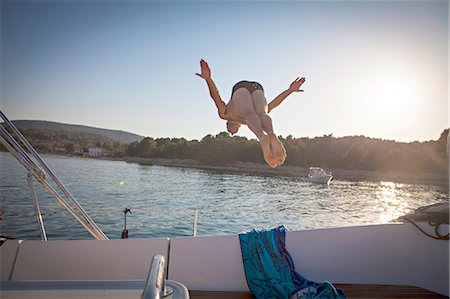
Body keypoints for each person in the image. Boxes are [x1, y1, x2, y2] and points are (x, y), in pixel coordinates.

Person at [196, 59, 305, 168]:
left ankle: (262, 137)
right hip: (257, 88)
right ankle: (271, 133)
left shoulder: (225, 114)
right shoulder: (254, 121)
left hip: (241, 88)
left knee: (249, 113)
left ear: (229, 123)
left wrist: (209, 80)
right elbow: (274, 103)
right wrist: (289, 90)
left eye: (230, 131)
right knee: (262, 114)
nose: (232, 133)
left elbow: (216, 97)